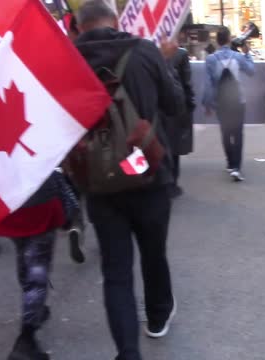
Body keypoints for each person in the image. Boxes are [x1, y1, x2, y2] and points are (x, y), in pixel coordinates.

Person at [74, 1, 185, 359]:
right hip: (147, 170)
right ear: (117, 19)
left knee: (116, 270)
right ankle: (157, 317)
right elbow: (174, 104)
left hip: (98, 180)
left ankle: (127, 351)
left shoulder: (65, 61)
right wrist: (165, 64)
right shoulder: (144, 51)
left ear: (78, 26)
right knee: (154, 253)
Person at [0, 171, 77, 360]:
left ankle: (35, 310)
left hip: (7, 198)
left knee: (24, 255)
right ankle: (26, 338)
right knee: (37, 269)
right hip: (40, 199)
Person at [203, 27, 255, 182]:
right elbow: (251, 71)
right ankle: (236, 168)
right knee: (238, 134)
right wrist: (247, 54)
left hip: (221, 102)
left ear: (217, 41)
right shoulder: (237, 57)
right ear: (228, 39)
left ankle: (230, 163)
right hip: (237, 100)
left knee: (225, 133)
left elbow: (208, 85)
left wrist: (207, 104)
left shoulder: (211, 59)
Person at [167, 47, 195, 198]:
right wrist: (190, 103)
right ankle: (172, 183)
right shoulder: (180, 53)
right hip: (176, 105)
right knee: (174, 146)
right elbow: (187, 82)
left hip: (155, 107)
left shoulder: (145, 49)